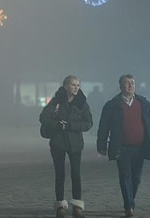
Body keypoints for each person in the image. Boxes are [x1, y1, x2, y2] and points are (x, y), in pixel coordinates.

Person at [97, 74, 150, 217]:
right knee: (125, 177)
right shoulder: (112, 105)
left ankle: (131, 199)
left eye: (132, 83)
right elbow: (104, 127)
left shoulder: (143, 103)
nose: (130, 85)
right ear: (120, 86)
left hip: (140, 147)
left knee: (136, 178)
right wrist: (101, 146)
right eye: (126, 83)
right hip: (122, 147)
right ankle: (129, 206)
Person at [39, 75, 93, 218]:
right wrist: (58, 125)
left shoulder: (82, 103)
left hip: (75, 143)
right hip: (58, 142)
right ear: (65, 86)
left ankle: (77, 206)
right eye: (73, 85)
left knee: (76, 174)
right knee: (60, 174)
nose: (76, 87)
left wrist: (70, 126)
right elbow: (43, 117)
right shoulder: (56, 101)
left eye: (78, 85)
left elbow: (88, 123)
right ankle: (60, 205)